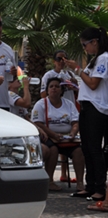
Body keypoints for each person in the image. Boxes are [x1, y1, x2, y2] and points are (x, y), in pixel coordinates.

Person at [64, 27, 108, 202]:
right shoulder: (95, 60)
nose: (84, 49)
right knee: (88, 148)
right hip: (88, 106)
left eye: (85, 45)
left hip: (97, 108)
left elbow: (93, 84)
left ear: (94, 42)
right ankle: (90, 186)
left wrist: (77, 68)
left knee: (95, 149)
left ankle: (99, 187)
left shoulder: (104, 58)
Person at [31, 77, 85, 193]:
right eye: (51, 86)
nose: (54, 89)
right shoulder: (41, 104)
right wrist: (53, 135)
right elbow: (37, 123)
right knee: (53, 149)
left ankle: (80, 182)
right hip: (48, 137)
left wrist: (73, 133)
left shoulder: (69, 104)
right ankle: (50, 181)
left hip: (67, 138)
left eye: (57, 86)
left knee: (79, 151)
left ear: (61, 90)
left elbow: (76, 122)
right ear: (47, 90)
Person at [41, 50, 80, 183]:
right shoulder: (49, 75)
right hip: (54, 110)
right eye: (59, 59)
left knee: (69, 139)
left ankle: (65, 174)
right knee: (56, 144)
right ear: (54, 61)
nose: (62, 61)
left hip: (68, 107)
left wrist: (73, 85)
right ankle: (51, 178)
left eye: (65, 58)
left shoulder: (69, 74)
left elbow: (78, 92)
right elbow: (43, 93)